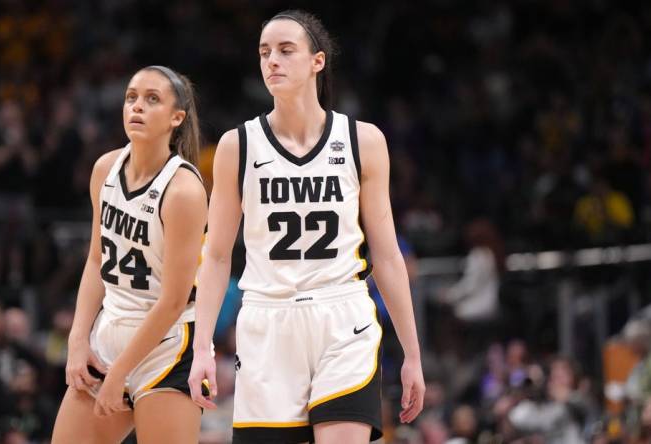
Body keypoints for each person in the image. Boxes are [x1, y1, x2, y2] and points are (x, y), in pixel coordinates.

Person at [188, 10, 425, 444]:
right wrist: (201, 346)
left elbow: (387, 255)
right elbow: (218, 255)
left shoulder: (363, 140)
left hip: (343, 318)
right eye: (264, 52)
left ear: (317, 61)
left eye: (285, 50)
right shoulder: (236, 146)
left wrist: (412, 354)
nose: (271, 61)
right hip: (266, 321)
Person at [51, 65, 208, 444]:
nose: (137, 106)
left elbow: (172, 301)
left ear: (176, 118)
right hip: (110, 334)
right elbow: (95, 260)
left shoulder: (184, 191)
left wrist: (121, 373)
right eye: (131, 97)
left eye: (152, 99)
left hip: (166, 345)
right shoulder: (105, 168)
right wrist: (77, 341)